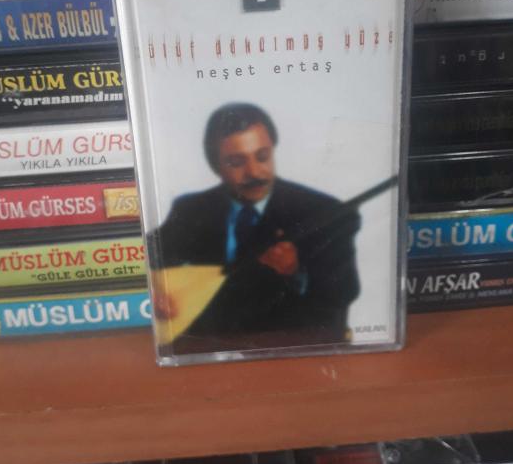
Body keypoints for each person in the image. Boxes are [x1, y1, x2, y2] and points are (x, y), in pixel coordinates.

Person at [147, 102, 361, 344]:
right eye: (237, 162)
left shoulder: (327, 212)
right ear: (216, 166)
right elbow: (148, 256)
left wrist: (296, 273)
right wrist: (153, 289)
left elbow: (342, 295)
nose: (254, 172)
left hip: (287, 350)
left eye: (262, 157)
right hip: (207, 349)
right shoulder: (190, 209)